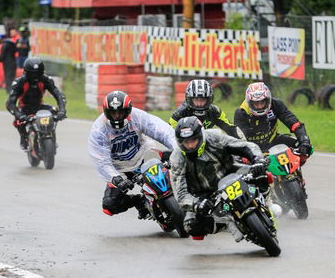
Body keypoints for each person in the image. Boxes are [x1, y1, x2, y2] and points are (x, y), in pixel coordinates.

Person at [170, 116, 268, 239]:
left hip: (231, 172)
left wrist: (257, 159)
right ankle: (226, 222)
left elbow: (244, 146)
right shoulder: (176, 158)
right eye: (186, 142)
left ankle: (265, 201)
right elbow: (180, 194)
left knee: (262, 172)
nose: (190, 146)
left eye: (193, 140)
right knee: (191, 226)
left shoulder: (215, 136)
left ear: (200, 135)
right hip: (204, 193)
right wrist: (196, 203)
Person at [88, 90, 177, 219]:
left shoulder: (137, 116)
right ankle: (139, 202)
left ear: (128, 110)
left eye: (121, 112)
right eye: (113, 113)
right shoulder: (99, 130)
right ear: (106, 112)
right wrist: (116, 178)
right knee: (109, 205)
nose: (117, 116)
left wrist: (177, 149)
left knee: (182, 160)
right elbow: (101, 160)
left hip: (144, 155)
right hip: (120, 169)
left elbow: (162, 131)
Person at [234, 82, 313, 161]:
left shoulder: (276, 104)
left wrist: (304, 141)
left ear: (268, 100)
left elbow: (294, 123)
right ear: (250, 102)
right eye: (256, 103)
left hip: (273, 140)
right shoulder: (241, 112)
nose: (259, 106)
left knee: (306, 148)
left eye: (262, 102)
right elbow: (240, 139)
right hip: (251, 147)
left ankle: (295, 171)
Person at [6, 57, 67, 150]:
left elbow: (58, 95)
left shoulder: (46, 80)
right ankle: (24, 137)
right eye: (32, 74)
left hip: (40, 106)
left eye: (37, 74)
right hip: (24, 107)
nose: (35, 77)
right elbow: (10, 103)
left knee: (55, 111)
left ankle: (51, 134)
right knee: (19, 120)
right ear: (26, 72)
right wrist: (19, 115)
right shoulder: (19, 82)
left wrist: (62, 111)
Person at [170, 79, 245, 139]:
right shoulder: (179, 114)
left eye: (202, 100)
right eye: (196, 100)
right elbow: (169, 134)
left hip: (207, 144)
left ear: (209, 99)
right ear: (189, 99)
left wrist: (243, 144)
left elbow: (231, 128)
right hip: (187, 146)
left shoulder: (215, 111)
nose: (199, 104)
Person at [0, 28, 17, 93]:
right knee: (12, 76)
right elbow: (15, 51)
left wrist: (0, 59)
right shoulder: (12, 43)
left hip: (6, 62)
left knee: (7, 76)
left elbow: (2, 53)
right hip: (13, 61)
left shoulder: (5, 44)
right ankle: (12, 89)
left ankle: (8, 89)